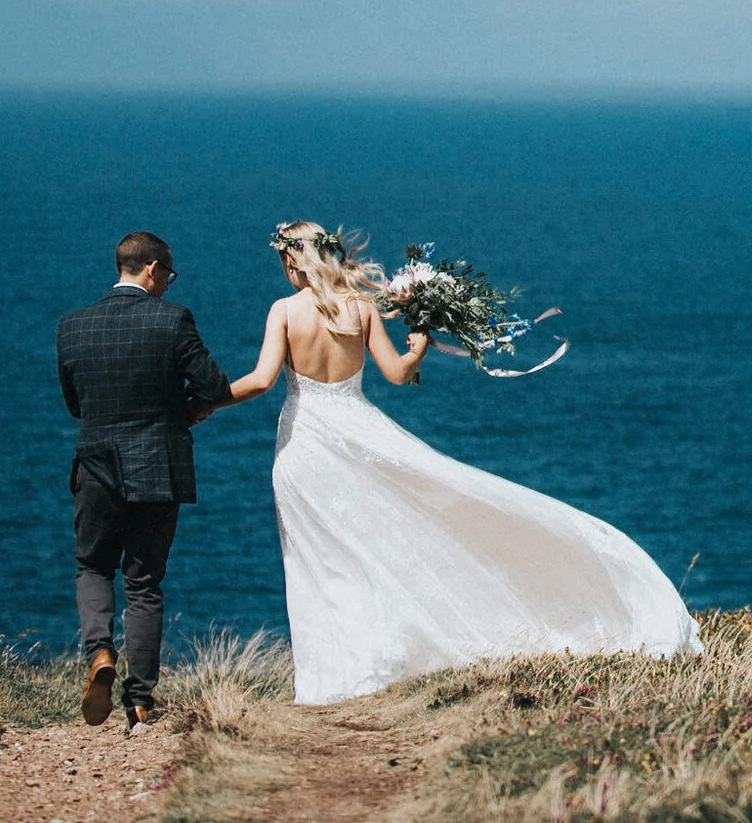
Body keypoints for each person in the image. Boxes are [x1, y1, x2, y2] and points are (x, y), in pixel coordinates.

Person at [217, 221, 700, 703]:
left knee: (318, 561)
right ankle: (365, 670)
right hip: (360, 436)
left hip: (305, 449)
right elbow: (398, 374)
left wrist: (204, 402)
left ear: (292, 259)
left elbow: (260, 380)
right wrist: (420, 346)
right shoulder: (362, 307)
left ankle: (331, 680)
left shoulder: (284, 311)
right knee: (378, 545)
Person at [55, 230, 234, 730]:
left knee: (92, 566)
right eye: (168, 275)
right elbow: (215, 387)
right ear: (153, 269)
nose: (168, 284)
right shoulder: (172, 318)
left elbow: (76, 405)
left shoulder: (72, 326)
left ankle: (99, 654)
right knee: (144, 584)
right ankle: (139, 702)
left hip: (94, 467)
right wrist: (181, 411)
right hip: (156, 465)